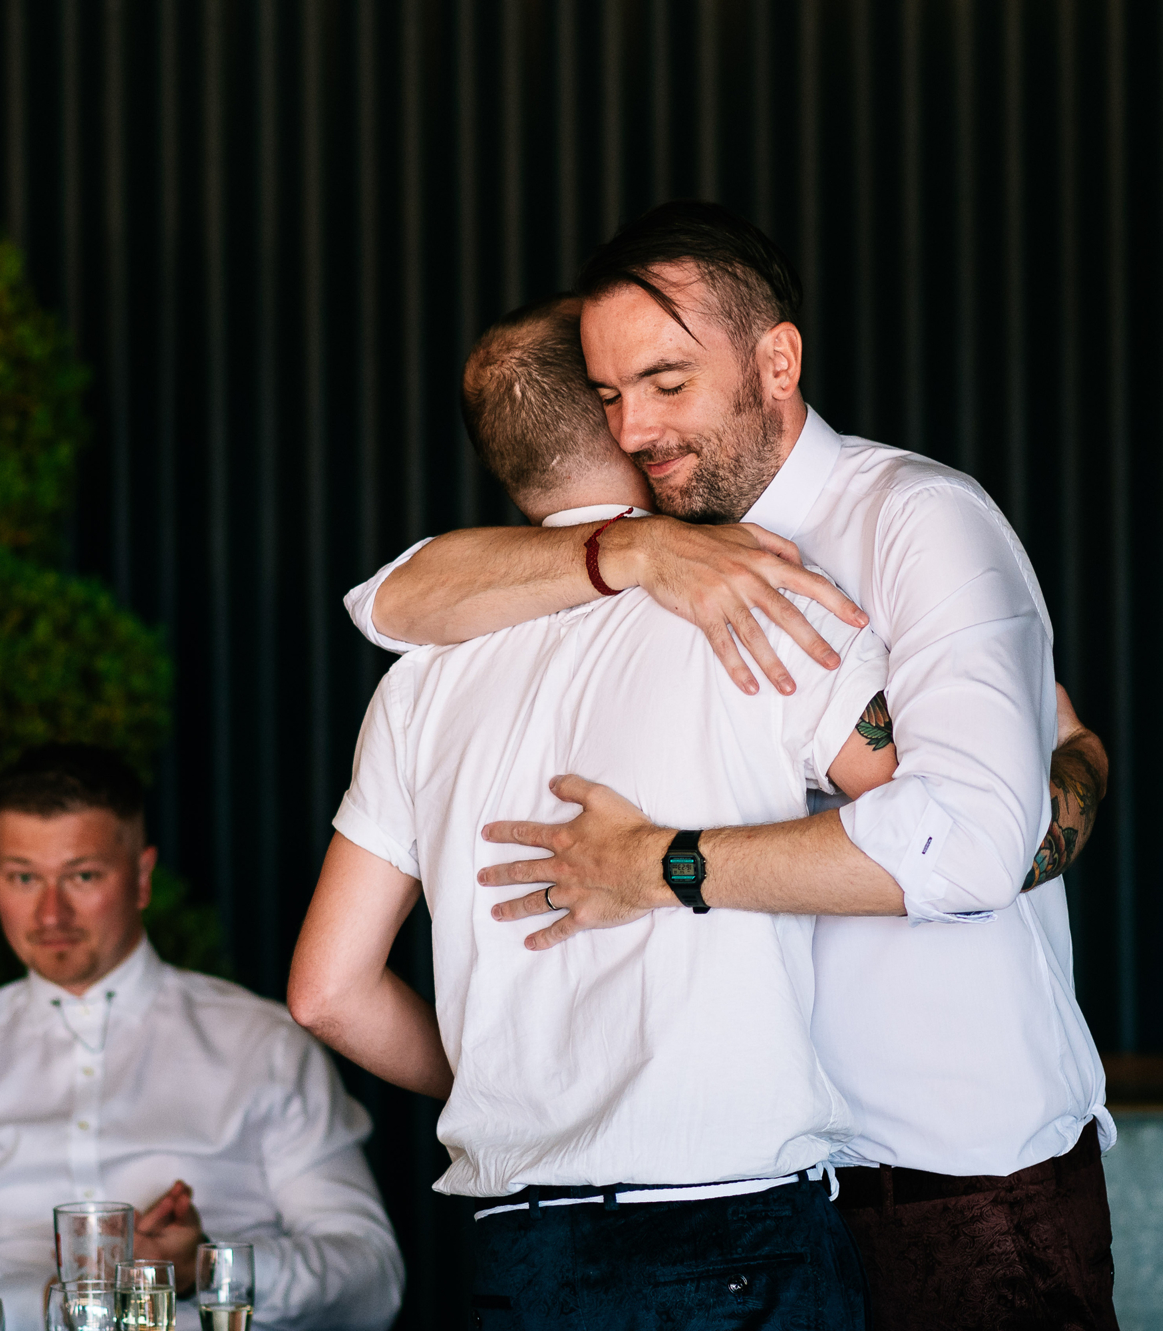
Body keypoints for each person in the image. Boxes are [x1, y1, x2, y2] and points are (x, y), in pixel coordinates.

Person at [342, 202, 1115, 1331]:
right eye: (608, 398)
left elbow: (970, 845)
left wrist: (661, 865)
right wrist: (640, 547)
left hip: (946, 1176)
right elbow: (392, 598)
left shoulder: (919, 520)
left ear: (775, 360)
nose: (638, 426)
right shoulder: (648, 554)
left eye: (664, 382)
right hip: (762, 1195)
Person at [290, 295, 906, 1327]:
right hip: (733, 1229)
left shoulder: (419, 682)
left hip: (517, 1246)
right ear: (622, 420)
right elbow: (935, 826)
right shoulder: (748, 594)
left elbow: (325, 989)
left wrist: (500, 1075)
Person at [0, 744, 403, 1331]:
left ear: (141, 877)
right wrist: (70, 1304)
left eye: (82, 875)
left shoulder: (262, 1043)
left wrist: (203, 1268)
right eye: (22, 878)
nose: (50, 914)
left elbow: (372, 1278)